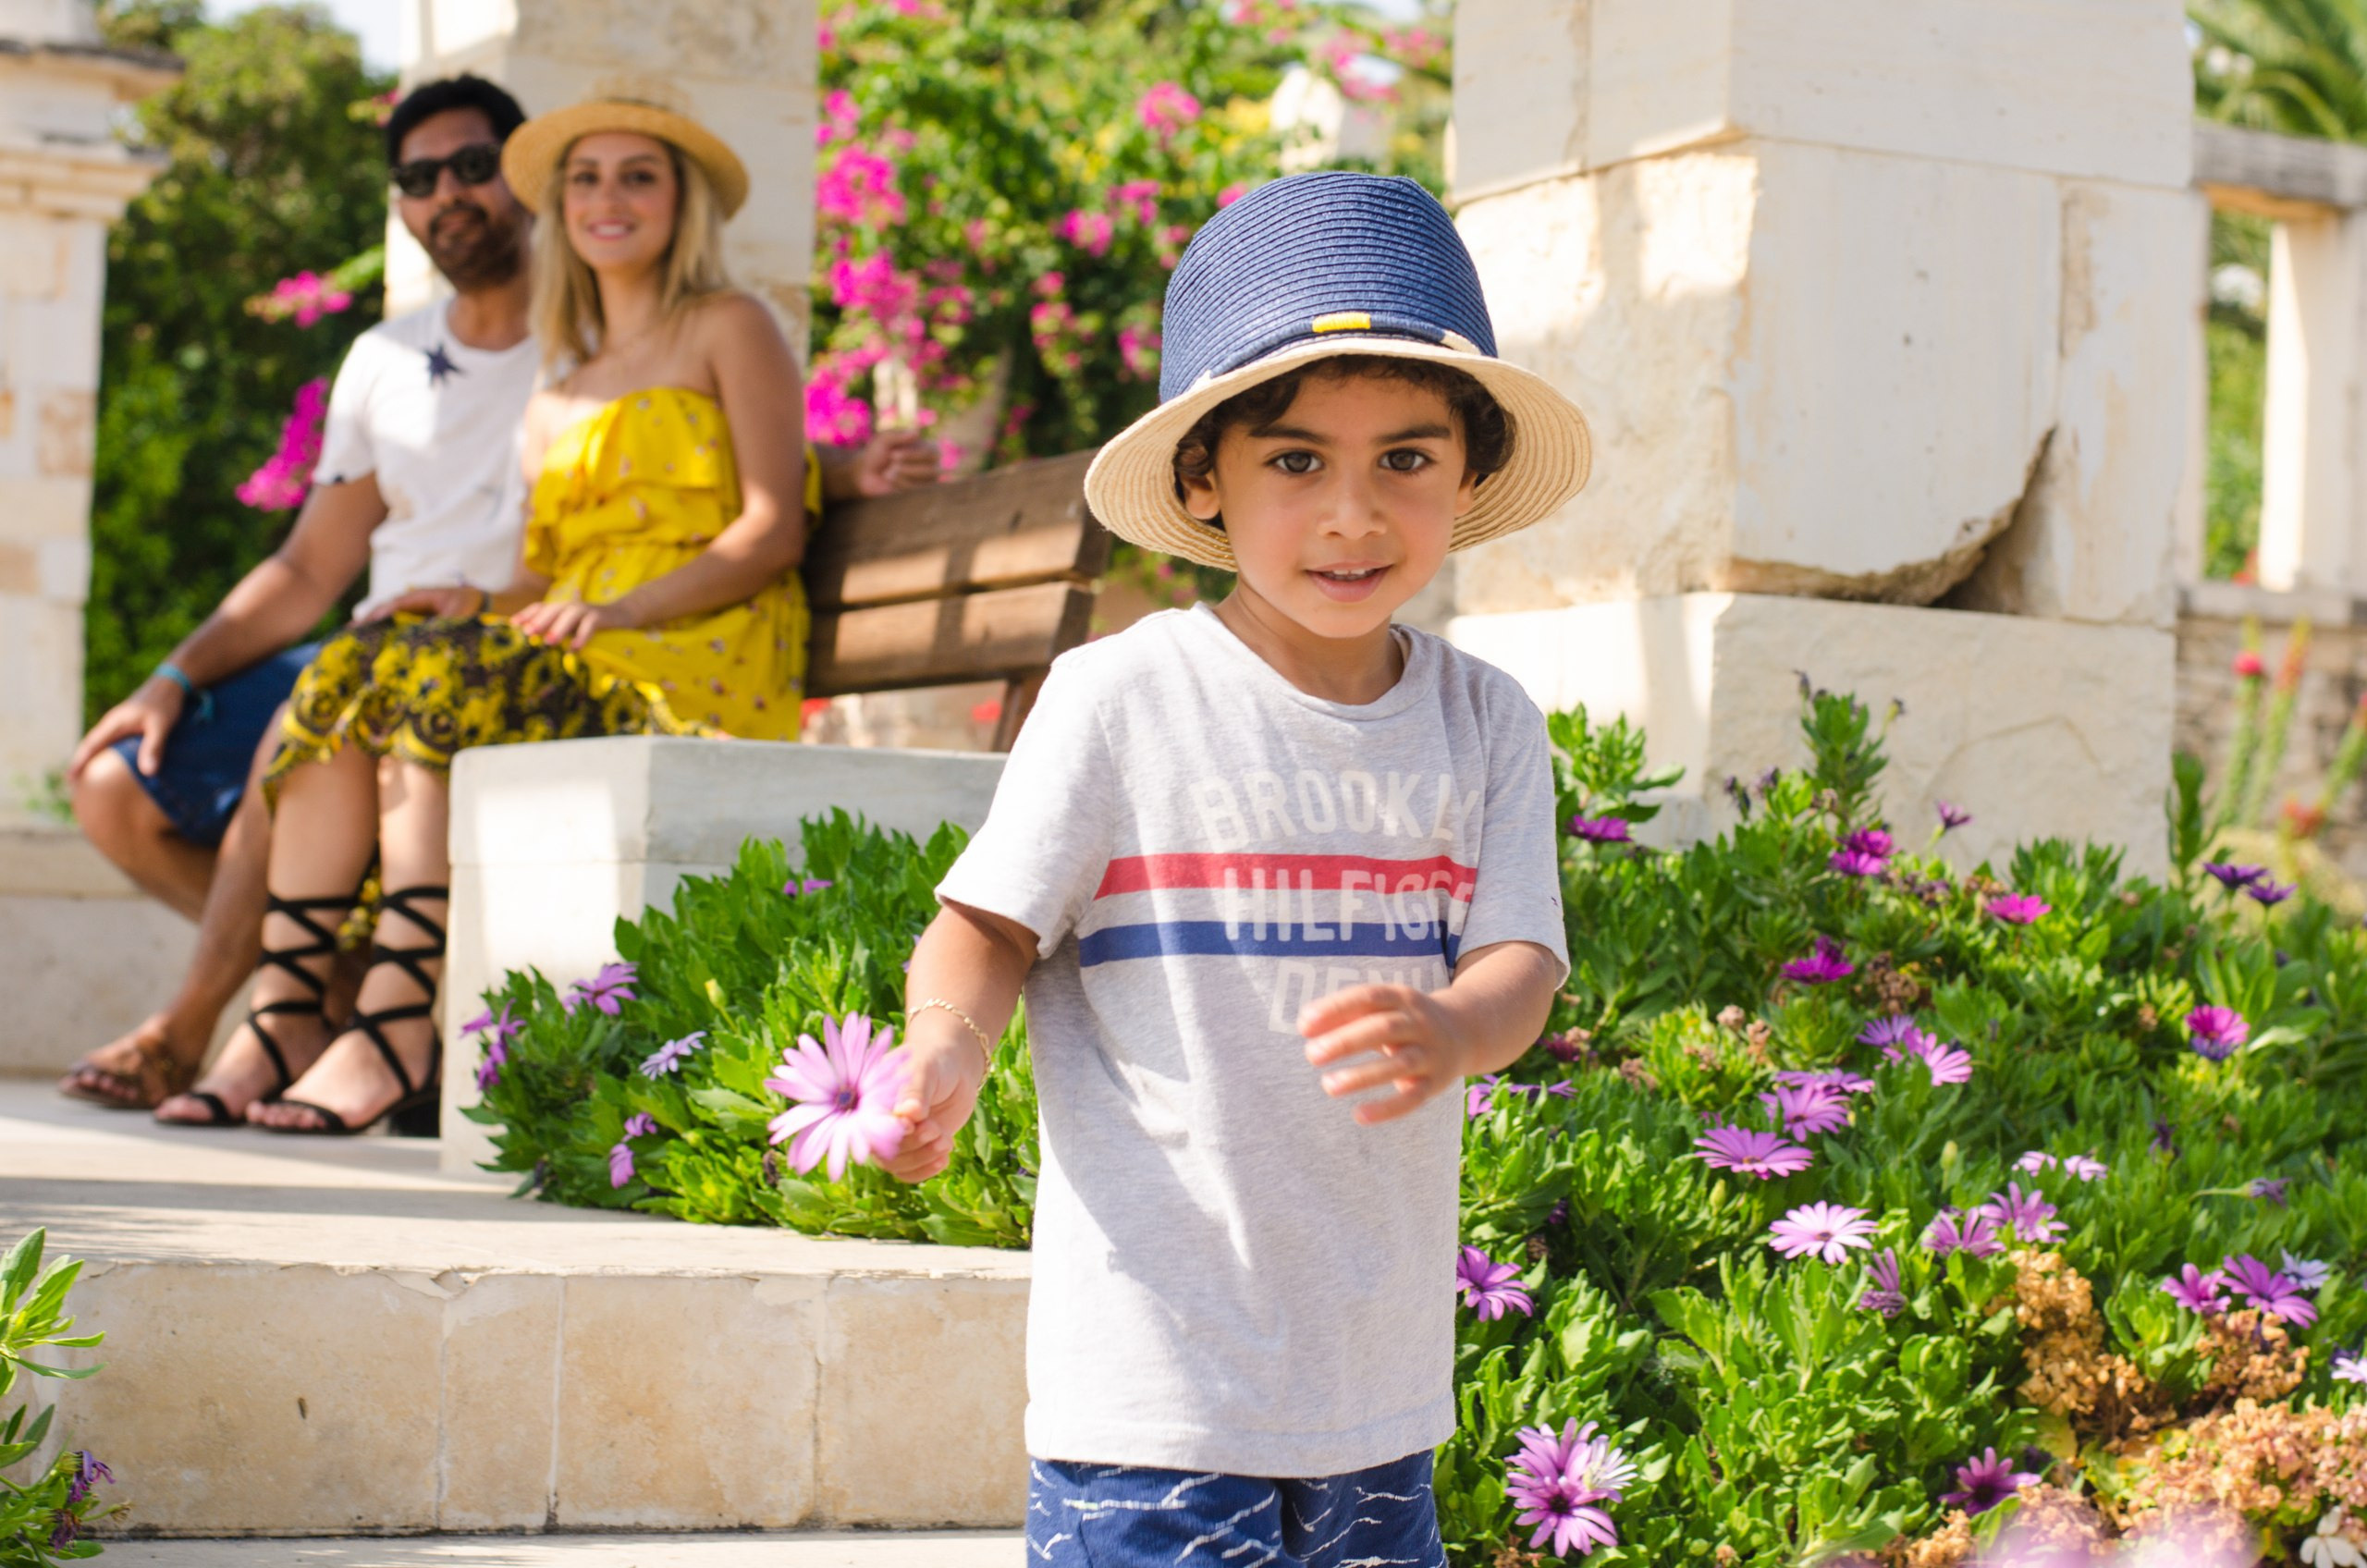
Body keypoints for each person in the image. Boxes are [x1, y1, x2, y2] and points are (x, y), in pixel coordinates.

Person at [881, 172, 1592, 1566]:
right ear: (1203, 476)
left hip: (1374, 1393)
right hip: (1152, 1390)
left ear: (1469, 473)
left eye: (1406, 459)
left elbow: (1521, 966)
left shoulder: (1485, 719)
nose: (1352, 514)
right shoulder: (1119, 699)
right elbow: (985, 925)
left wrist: (1453, 1025)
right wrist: (946, 1047)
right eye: (1293, 461)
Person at [232, 82, 816, 1135]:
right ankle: (282, 1009)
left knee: (440, 674)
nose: (609, 199)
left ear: (681, 202)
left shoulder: (731, 326)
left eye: (639, 176)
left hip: (697, 651)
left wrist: (623, 610)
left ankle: (398, 1016)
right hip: (593, 647)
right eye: (586, 178)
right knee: (356, 660)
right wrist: (474, 596)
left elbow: (772, 528)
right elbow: (549, 580)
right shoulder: (561, 388)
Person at [57, 74, 541, 1117]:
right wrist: (170, 677)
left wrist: (845, 472)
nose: (447, 193)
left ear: (525, 169)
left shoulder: (597, 336)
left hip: (499, 665)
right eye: (418, 178)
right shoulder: (387, 356)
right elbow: (311, 568)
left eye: (473, 164)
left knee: (307, 711)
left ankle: (189, 1029)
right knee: (109, 781)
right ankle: (339, 1003)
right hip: (367, 665)